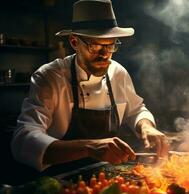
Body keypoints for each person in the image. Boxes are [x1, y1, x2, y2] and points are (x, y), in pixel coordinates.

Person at [11, 0, 169, 172]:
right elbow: (23, 140)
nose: (104, 55)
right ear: (73, 42)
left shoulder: (118, 72)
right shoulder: (50, 77)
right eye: (94, 46)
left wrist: (147, 127)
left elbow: (136, 110)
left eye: (110, 46)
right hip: (61, 178)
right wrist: (88, 147)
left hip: (106, 175)